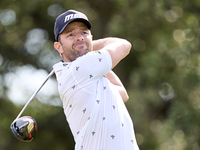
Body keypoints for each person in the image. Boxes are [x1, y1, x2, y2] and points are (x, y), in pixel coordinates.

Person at [53, 9, 139, 150]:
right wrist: (88, 44)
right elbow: (124, 45)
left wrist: (84, 45)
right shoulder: (79, 69)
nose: (79, 37)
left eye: (84, 32)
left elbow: (122, 94)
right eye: (71, 34)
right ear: (59, 47)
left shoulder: (87, 73)